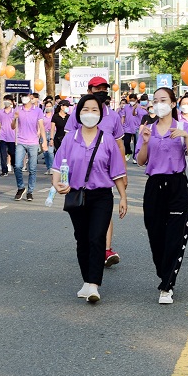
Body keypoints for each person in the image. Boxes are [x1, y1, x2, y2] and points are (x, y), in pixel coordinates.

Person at [51, 94, 128, 303]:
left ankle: (94, 284)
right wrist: (57, 184)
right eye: (85, 110)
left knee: (96, 237)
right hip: (77, 196)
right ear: (78, 113)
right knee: (82, 239)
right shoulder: (70, 138)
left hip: (102, 196)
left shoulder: (107, 139)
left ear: (101, 114)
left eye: (95, 110)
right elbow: (57, 166)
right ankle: (86, 280)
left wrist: (123, 197)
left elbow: (117, 172)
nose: (90, 114)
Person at [135, 87, 188, 304]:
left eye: (163, 100)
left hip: (177, 185)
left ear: (173, 104)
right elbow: (141, 161)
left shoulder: (184, 127)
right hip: (154, 186)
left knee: (174, 235)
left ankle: (167, 285)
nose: (159, 104)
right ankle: (164, 273)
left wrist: (185, 137)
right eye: (155, 100)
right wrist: (144, 141)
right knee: (156, 235)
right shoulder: (147, 129)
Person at [64, 77, 127, 266]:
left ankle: (105, 249)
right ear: (89, 90)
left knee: (103, 210)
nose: (101, 91)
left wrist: (122, 174)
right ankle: (91, 249)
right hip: (80, 178)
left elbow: (120, 145)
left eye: (103, 88)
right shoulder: (79, 112)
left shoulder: (113, 116)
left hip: (104, 173)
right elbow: (68, 144)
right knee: (84, 226)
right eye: (97, 88)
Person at [12, 91, 47, 202]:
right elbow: (13, 126)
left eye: (27, 97)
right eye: (23, 97)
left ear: (31, 98)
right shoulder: (18, 109)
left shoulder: (37, 111)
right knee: (17, 165)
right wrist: (14, 118)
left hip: (33, 142)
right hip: (21, 141)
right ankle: (21, 187)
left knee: (32, 169)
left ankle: (30, 191)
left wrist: (44, 141)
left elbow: (41, 127)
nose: (25, 99)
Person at [0, 95, 17, 177]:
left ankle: (15, 166)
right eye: (5, 100)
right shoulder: (0, 112)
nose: (6, 102)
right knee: (3, 154)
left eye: (8, 100)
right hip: (3, 136)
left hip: (12, 136)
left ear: (12, 102)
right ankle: (4, 170)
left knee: (12, 153)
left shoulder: (14, 112)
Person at [120, 94, 143, 160]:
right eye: (130, 100)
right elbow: (123, 116)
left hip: (137, 127)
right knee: (126, 142)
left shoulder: (140, 107)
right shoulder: (126, 107)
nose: (132, 101)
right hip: (127, 127)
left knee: (136, 143)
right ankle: (128, 152)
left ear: (136, 100)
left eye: (133, 100)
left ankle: (135, 157)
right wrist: (122, 125)